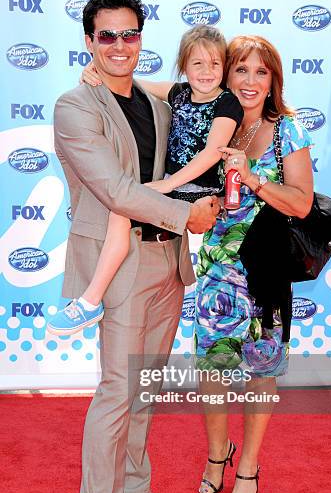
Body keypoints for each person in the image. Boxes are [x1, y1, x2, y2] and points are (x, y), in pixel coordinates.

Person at [53, 0, 220, 493]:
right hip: (120, 267)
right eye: (107, 36)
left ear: (140, 39)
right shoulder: (75, 107)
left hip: (168, 262)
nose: (120, 46)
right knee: (117, 392)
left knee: (144, 388)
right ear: (89, 41)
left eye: (130, 35)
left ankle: (131, 489)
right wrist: (188, 217)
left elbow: (198, 113)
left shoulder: (156, 104)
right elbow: (116, 190)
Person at [47, 25, 243, 335]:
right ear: (183, 67)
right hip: (173, 190)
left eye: (215, 63)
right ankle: (91, 299)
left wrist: (166, 185)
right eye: (197, 64)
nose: (206, 71)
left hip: (199, 190)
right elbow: (131, 82)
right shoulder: (179, 93)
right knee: (121, 208)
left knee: (125, 205)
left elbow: (211, 154)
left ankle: (90, 299)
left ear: (225, 67)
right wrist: (94, 69)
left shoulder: (227, 102)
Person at [195, 35, 314, 493]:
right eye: (240, 70)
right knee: (212, 373)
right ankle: (215, 458)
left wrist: (255, 179)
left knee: (261, 373)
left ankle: (249, 466)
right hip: (215, 271)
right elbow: (166, 89)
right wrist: (101, 74)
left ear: (273, 81)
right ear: (226, 76)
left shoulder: (289, 129)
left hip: (263, 272)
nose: (248, 80)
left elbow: (302, 203)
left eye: (259, 72)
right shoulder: (215, 124)